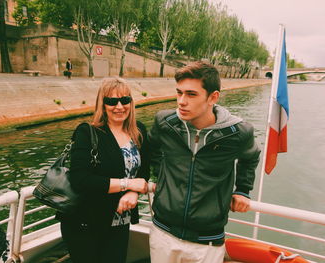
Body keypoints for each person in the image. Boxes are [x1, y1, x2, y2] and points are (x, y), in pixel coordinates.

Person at [148, 61, 261, 263]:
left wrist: (242, 190)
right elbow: (152, 149)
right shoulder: (165, 123)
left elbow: (250, 158)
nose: (181, 101)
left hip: (207, 241)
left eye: (191, 94)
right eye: (179, 92)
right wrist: (162, 178)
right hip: (162, 232)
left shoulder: (238, 133)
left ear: (213, 97)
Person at [56, 77, 150, 263]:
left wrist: (133, 193)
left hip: (120, 220)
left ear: (131, 103)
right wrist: (129, 184)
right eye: (111, 101)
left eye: (124, 100)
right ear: (102, 104)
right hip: (85, 222)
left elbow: (144, 171)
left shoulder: (138, 131)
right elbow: (80, 180)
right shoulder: (87, 132)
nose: (119, 106)